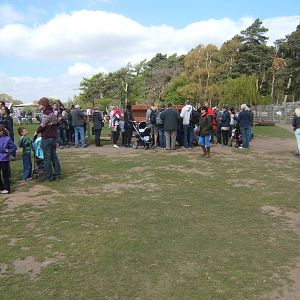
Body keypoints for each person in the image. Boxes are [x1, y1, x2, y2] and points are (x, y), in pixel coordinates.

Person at [35, 97, 61, 181]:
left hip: (47, 138)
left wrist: (37, 131)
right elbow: (56, 123)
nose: (38, 105)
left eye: (39, 104)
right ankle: (57, 175)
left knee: (47, 158)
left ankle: (47, 176)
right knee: (54, 157)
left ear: (43, 104)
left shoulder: (46, 113)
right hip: (54, 137)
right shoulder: (53, 113)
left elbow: (43, 125)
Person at [0, 124, 17, 193]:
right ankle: (1, 186)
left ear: (2, 131)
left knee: (5, 174)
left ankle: (7, 189)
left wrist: (7, 151)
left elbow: (14, 147)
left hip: (4, 159)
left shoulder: (7, 138)